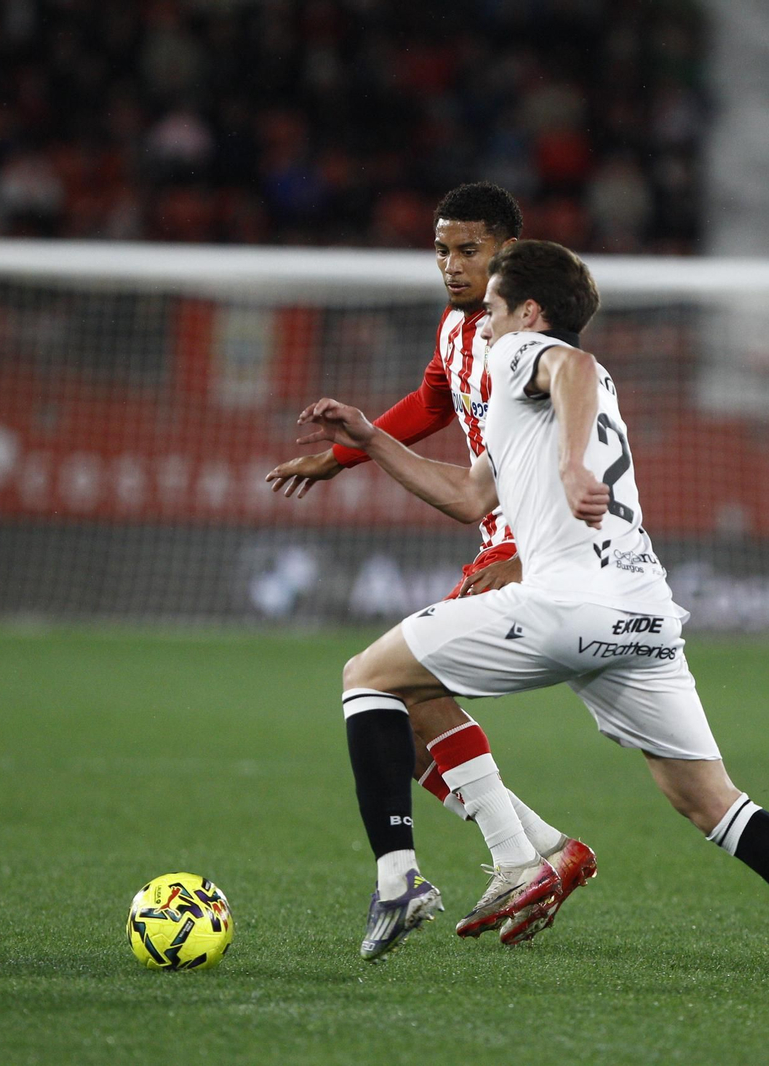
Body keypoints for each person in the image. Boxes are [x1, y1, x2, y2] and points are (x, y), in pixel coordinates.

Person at [294, 240, 769, 988]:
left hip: (568, 603)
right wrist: (371, 439)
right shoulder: (547, 397)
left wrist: (569, 467)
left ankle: (402, 878)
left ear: (528, 312)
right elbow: (468, 496)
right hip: (643, 615)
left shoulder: (528, 353)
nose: (483, 325)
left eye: (492, 309)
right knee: (713, 803)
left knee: (369, 677)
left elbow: (572, 365)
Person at [265, 183, 595, 946]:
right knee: (399, 716)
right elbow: (430, 399)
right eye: (441, 250)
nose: (450, 265)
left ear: (508, 253)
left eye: (468, 250)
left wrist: (527, 556)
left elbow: (570, 436)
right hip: (494, 533)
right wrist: (344, 456)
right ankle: (547, 849)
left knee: (392, 685)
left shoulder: (529, 342)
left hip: (532, 540)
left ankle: (521, 857)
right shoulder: (456, 328)